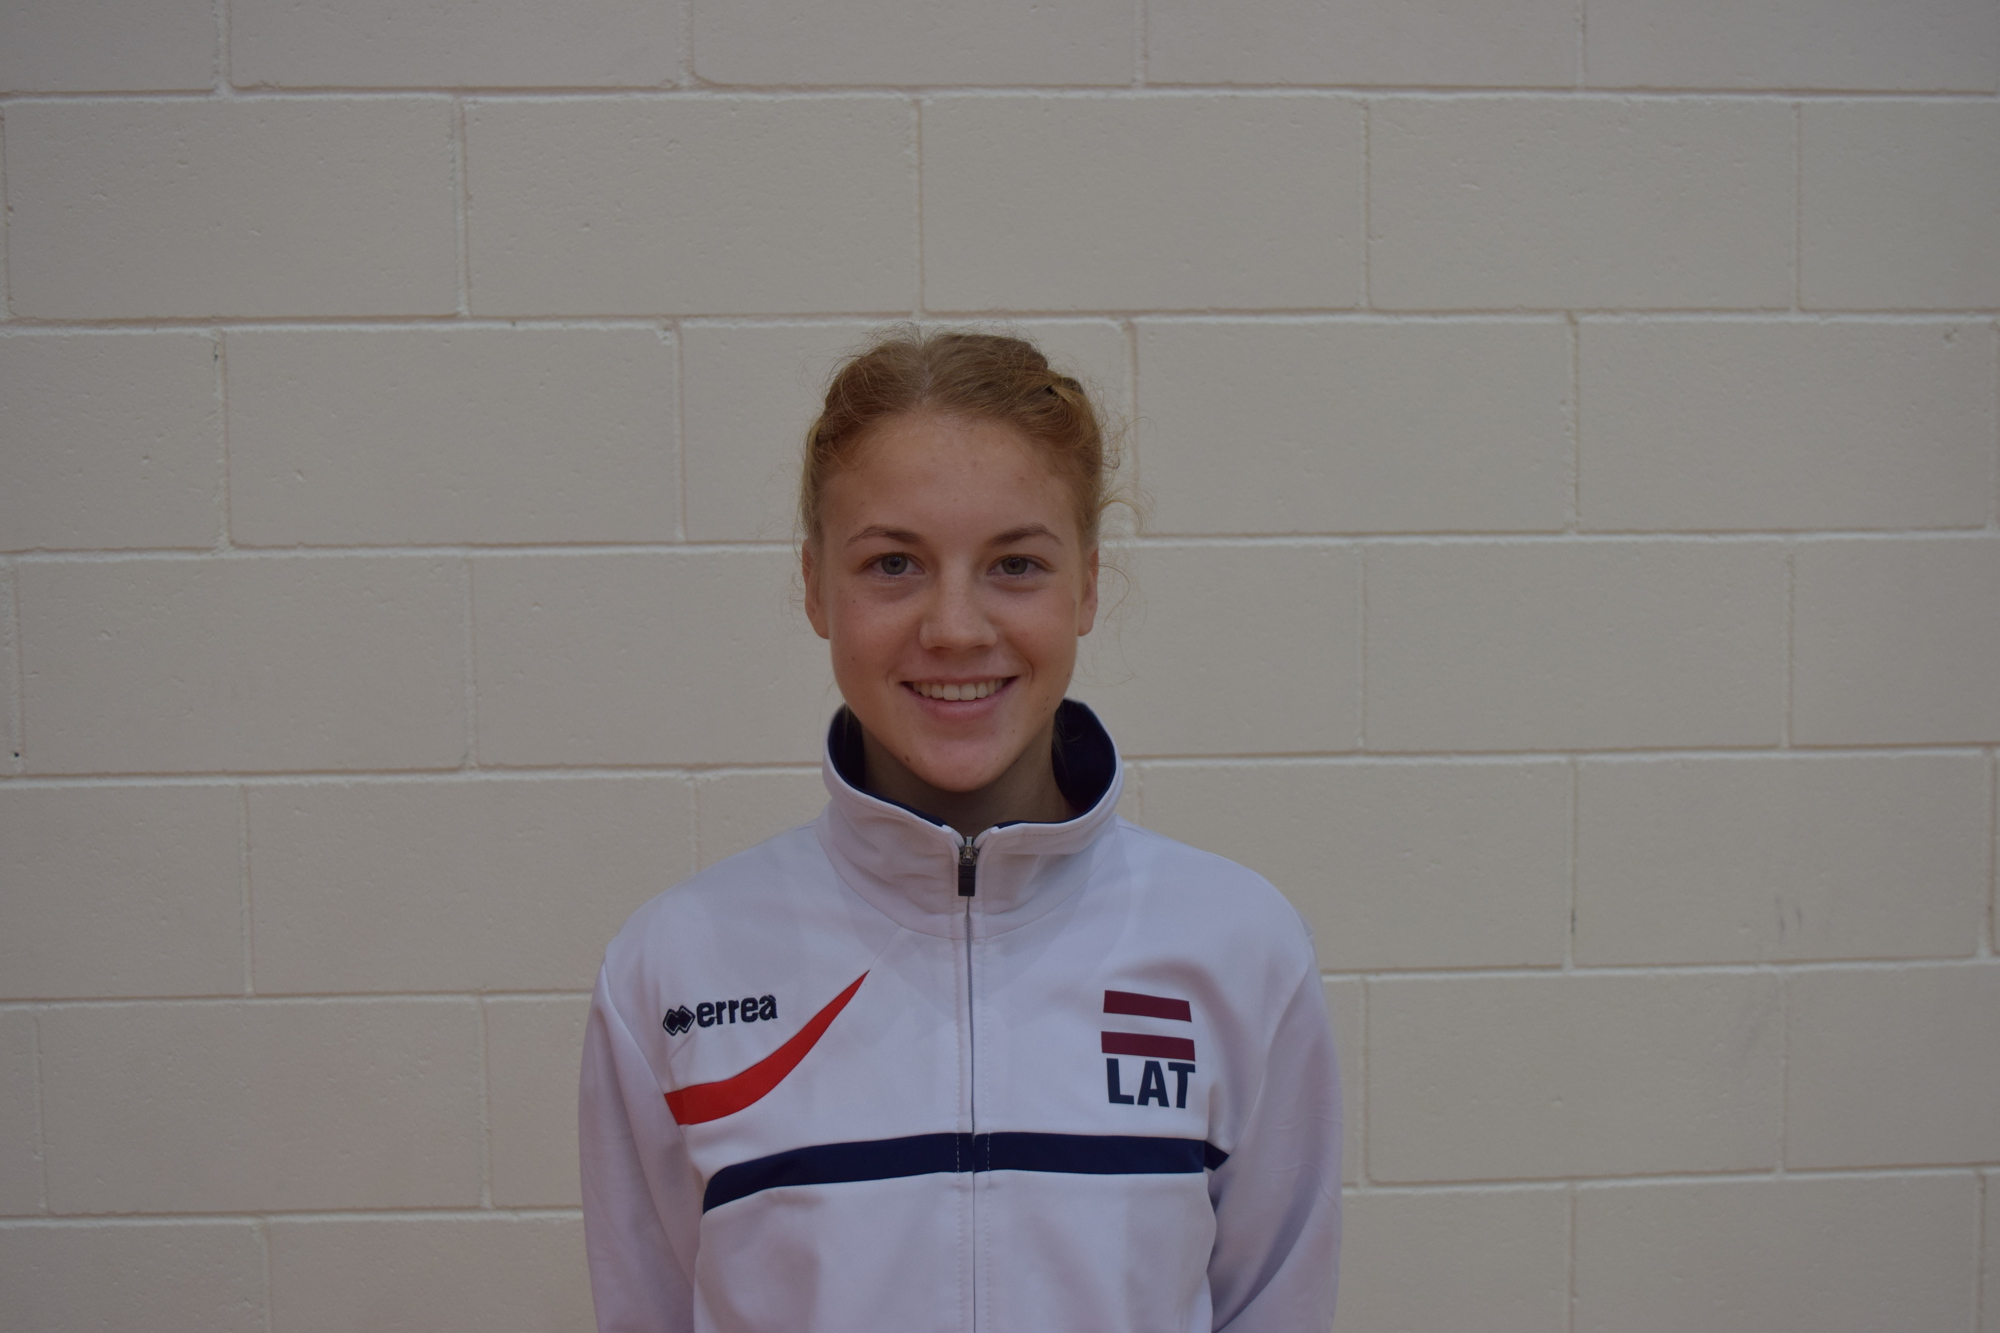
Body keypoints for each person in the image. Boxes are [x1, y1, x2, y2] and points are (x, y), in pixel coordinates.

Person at [579, 329, 1341, 1333]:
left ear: (1087, 585)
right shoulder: (673, 969)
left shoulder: (1240, 948)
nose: (954, 627)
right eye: (892, 563)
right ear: (814, 585)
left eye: (1015, 564)